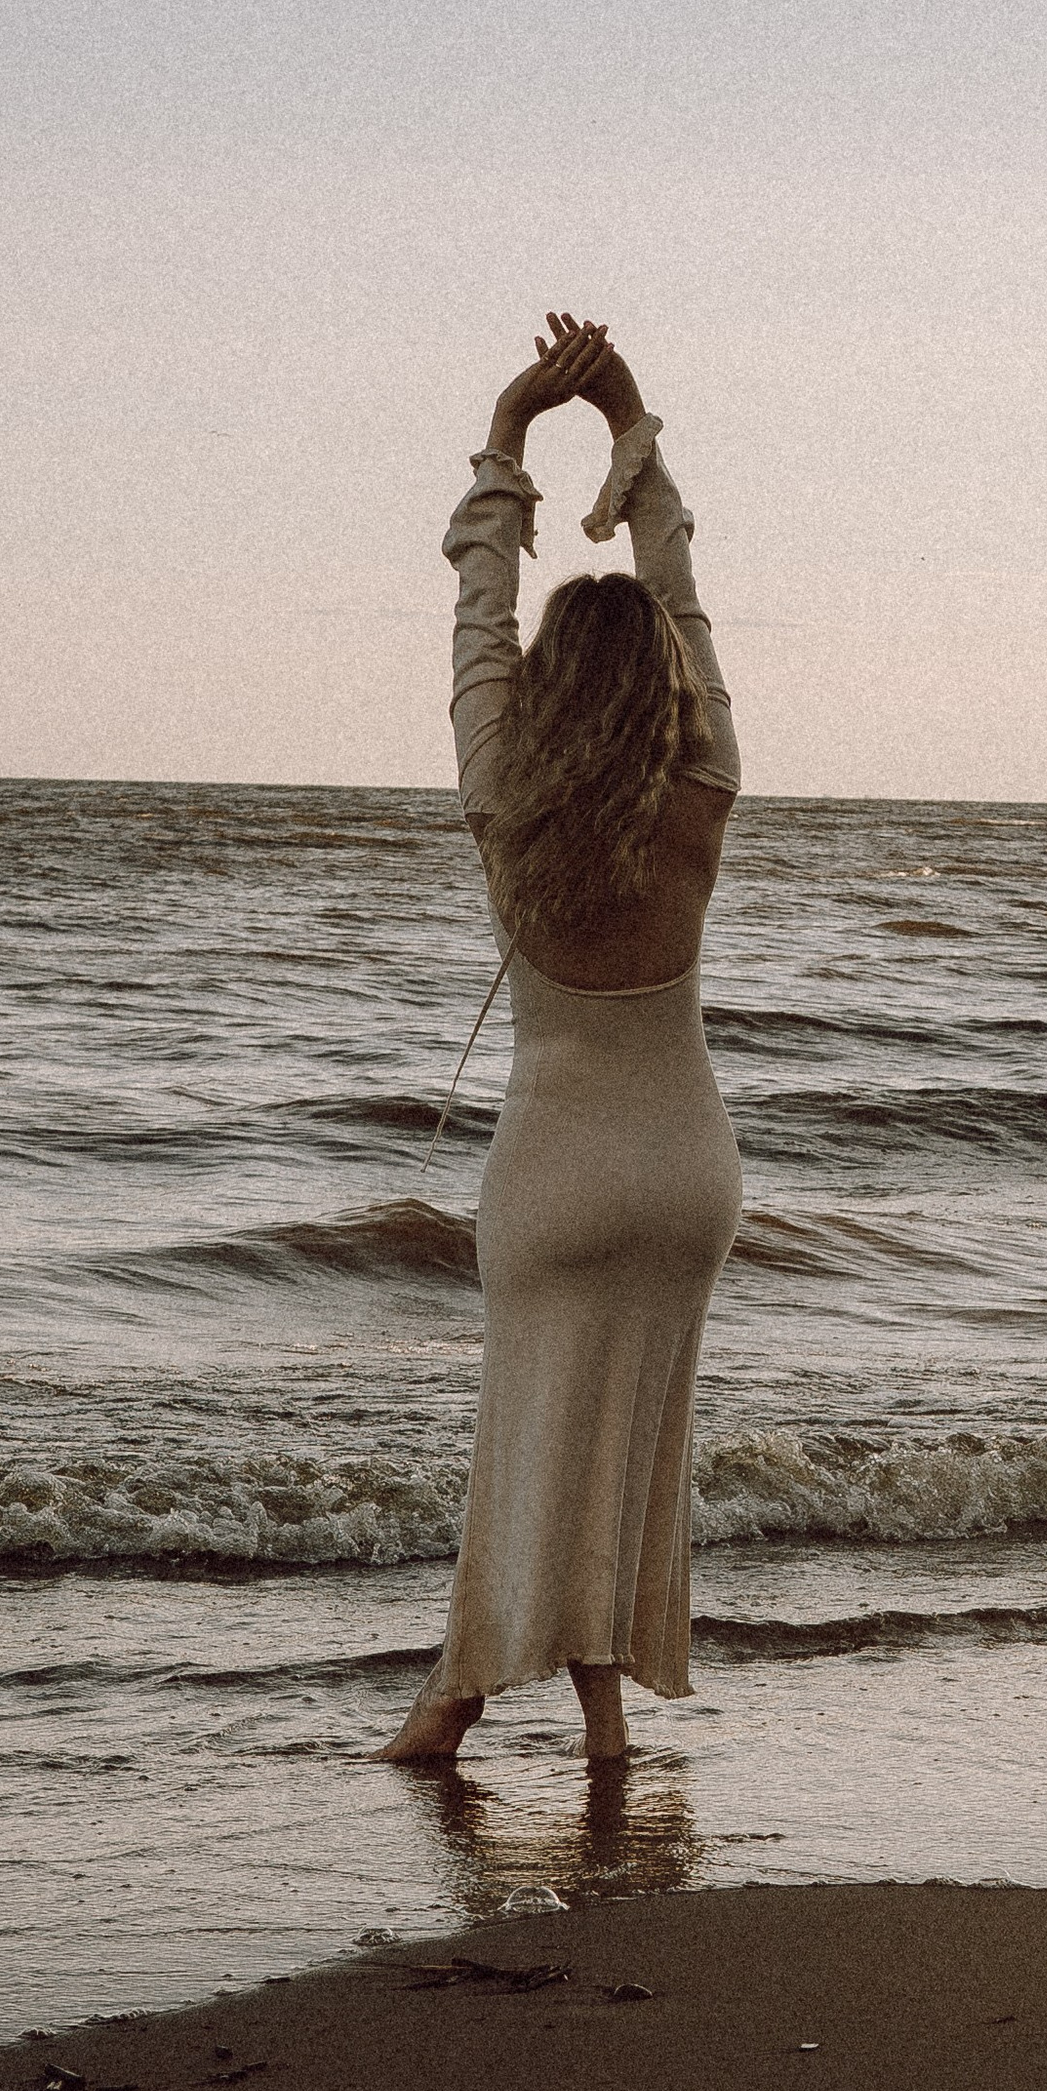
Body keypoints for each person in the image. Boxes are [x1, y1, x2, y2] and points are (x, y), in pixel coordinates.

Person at [381, 316, 743, 1767]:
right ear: (665, 682)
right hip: (688, 1172)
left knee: (526, 1437)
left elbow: (477, 613)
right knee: (634, 1446)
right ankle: (602, 1718)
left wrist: (508, 436)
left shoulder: (504, 790)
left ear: (546, 680)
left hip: (558, 1168)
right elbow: (680, 582)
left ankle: (454, 1702)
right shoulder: (704, 782)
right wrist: (629, 418)